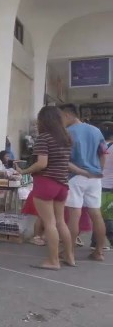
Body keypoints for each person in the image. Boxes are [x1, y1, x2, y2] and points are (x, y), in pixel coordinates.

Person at [16, 106, 75, 270]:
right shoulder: (66, 138)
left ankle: (53, 261)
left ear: (44, 120)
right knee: (61, 221)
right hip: (62, 184)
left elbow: (42, 163)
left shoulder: (44, 138)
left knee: (49, 224)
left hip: (46, 183)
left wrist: (24, 171)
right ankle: (69, 257)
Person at [59, 103, 108, 262]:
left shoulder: (66, 133)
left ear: (67, 115)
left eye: (60, 117)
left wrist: (81, 172)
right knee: (96, 214)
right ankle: (99, 252)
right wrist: (98, 171)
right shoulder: (96, 130)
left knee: (75, 215)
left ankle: (69, 252)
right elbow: (103, 153)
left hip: (75, 177)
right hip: (95, 178)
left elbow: (64, 160)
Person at [91, 127, 113, 251]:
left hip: (100, 183)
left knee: (100, 214)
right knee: (107, 215)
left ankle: (95, 241)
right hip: (109, 186)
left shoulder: (101, 147)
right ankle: (109, 239)